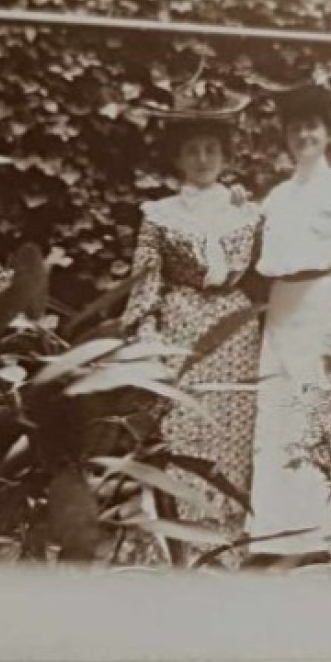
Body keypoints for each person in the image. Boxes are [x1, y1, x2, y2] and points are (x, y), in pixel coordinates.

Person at [120, 76, 263, 537]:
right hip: (180, 330)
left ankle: (226, 539)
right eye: (193, 151)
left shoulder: (248, 211)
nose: (203, 160)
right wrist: (148, 341)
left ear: (225, 156)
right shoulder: (159, 213)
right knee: (181, 428)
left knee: (232, 429)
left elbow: (276, 268)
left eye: (211, 150)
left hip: (236, 331)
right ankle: (178, 536)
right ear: (178, 158)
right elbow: (144, 284)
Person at [247, 83, 331, 556]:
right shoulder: (275, 199)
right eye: (296, 128)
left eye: (313, 127)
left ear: (328, 133)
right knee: (282, 416)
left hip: (326, 305)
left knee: (328, 416)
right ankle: (277, 535)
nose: (305, 135)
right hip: (283, 309)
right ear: (286, 136)